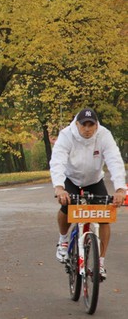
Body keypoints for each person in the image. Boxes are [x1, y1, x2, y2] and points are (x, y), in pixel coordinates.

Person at [50, 108, 126, 280]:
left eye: (91, 125)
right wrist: (59, 187)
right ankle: (63, 240)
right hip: (71, 179)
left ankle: (100, 262)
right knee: (66, 206)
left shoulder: (104, 135)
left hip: (94, 180)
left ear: (96, 125)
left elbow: (114, 159)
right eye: (83, 124)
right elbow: (58, 161)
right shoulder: (66, 135)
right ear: (76, 124)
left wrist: (120, 189)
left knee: (105, 216)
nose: (87, 129)